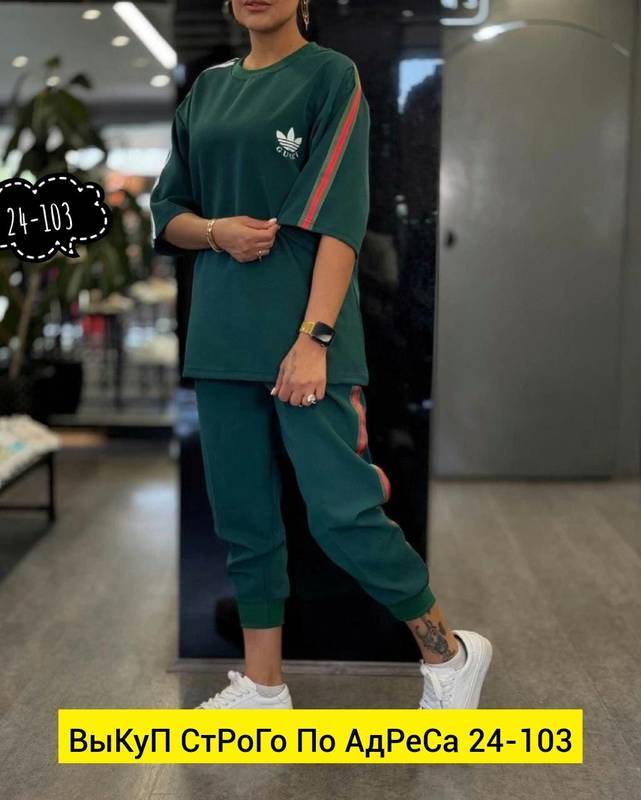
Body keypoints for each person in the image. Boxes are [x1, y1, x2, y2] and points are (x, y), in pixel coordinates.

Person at [150, 0, 492, 710]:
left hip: (305, 339)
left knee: (343, 510)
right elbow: (168, 212)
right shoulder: (207, 89)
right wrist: (216, 232)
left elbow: (340, 220)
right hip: (220, 338)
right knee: (244, 520)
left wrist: (315, 339)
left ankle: (449, 653)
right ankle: (263, 686)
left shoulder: (330, 76)